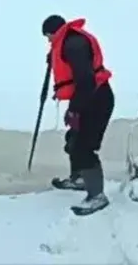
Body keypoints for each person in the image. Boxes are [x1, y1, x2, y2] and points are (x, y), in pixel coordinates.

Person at [42, 14, 115, 216]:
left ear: (54, 32)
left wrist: (75, 109)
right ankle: (80, 180)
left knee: (84, 147)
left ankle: (97, 197)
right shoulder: (68, 42)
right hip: (88, 98)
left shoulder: (74, 45)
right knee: (73, 139)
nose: (48, 41)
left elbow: (86, 81)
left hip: (97, 99)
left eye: (48, 36)